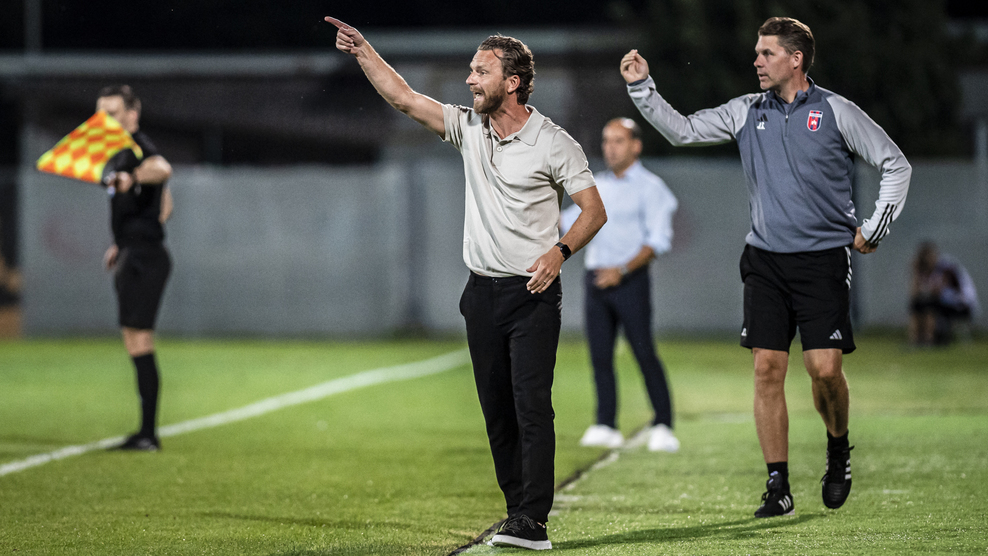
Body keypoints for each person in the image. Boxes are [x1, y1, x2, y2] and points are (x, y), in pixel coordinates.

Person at [325, 17, 606, 550]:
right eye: (471, 70)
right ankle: (516, 512)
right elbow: (405, 98)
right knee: (496, 411)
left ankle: (534, 520)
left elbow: (594, 211)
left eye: (481, 71)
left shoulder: (553, 142)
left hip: (532, 294)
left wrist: (560, 252)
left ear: (513, 82)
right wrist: (363, 51)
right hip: (480, 294)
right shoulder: (469, 127)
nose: (471, 80)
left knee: (531, 407)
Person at [620, 17, 911, 517]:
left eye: (767, 53)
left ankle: (837, 446)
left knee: (824, 371)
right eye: (757, 52)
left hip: (823, 260)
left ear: (795, 60)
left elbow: (895, 164)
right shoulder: (745, 110)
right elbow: (683, 131)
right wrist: (642, 88)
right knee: (766, 369)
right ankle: (778, 485)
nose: (756, 60)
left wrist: (875, 226)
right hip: (765, 261)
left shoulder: (836, 111)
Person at [560, 117, 679, 453]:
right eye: (606, 140)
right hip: (596, 279)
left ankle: (664, 425)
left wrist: (622, 270)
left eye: (618, 140)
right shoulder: (595, 185)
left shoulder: (652, 188)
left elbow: (657, 242)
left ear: (636, 146)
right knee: (600, 356)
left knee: (644, 352)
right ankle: (605, 423)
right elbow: (564, 222)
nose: (610, 148)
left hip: (630, 281)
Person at [97, 85, 174, 451]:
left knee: (139, 340)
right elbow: (166, 204)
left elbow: (163, 169)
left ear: (132, 114)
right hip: (135, 252)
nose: (104, 120)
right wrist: (123, 241)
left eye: (112, 113)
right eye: (100, 113)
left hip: (145, 257)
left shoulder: (138, 148)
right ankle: (145, 432)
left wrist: (134, 178)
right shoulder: (120, 154)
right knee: (134, 340)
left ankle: (147, 434)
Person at [909, 241, 979, 346]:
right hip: (946, 302)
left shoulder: (946, 267)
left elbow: (937, 291)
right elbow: (914, 293)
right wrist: (916, 273)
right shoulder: (928, 270)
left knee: (930, 306)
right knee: (916, 305)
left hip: (962, 304)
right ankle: (915, 340)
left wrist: (923, 282)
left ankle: (928, 340)